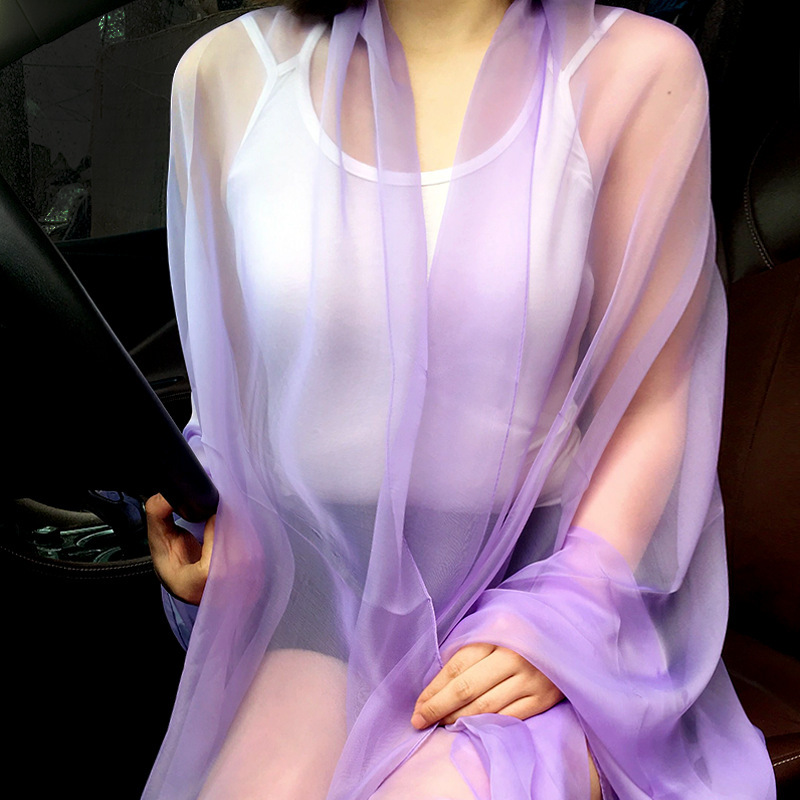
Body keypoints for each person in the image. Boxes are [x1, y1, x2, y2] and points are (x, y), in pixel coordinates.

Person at [144, 0, 777, 797]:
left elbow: (655, 402)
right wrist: (207, 505)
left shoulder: (639, 71)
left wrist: (569, 617)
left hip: (547, 582)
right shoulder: (223, 75)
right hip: (320, 600)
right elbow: (231, 394)